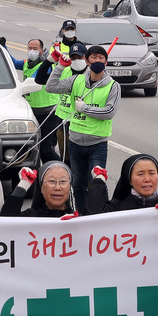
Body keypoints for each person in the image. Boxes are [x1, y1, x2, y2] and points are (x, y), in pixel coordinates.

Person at [46, 44, 121, 214]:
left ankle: (102, 215)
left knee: (97, 182)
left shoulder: (113, 86)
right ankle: (81, 215)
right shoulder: (77, 80)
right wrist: (59, 67)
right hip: (75, 143)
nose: (97, 61)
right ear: (87, 60)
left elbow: (109, 112)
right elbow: (51, 87)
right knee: (78, 184)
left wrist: (84, 109)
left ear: (106, 62)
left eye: (101, 58)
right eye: (93, 57)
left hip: (97, 144)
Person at [18, 38, 61, 162]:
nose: (32, 51)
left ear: (42, 51)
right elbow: (13, 62)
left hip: (49, 112)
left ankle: (61, 172)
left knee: (46, 149)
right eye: (29, 48)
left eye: (35, 48)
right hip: (32, 112)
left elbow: (34, 79)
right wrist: (3, 46)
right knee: (32, 148)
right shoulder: (27, 62)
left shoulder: (46, 65)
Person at [87, 154, 158, 214]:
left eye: (151, 173)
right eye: (140, 174)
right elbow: (94, 213)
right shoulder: (117, 207)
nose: (147, 179)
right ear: (129, 180)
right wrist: (99, 181)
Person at [1, 162, 76, 217]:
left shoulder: (79, 219)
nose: (57, 188)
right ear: (41, 188)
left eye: (63, 182)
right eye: (52, 181)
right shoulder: (31, 217)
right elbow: (5, 220)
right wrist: (22, 186)